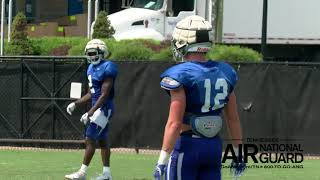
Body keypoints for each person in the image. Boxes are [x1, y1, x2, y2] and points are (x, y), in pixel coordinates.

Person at [153, 15, 246, 180]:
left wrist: (161, 161)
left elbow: (174, 123)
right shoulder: (225, 72)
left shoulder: (181, 73)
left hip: (188, 146)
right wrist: (238, 153)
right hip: (213, 147)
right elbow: (233, 119)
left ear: (183, 42)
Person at [65, 39, 118, 180]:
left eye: (93, 53)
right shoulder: (90, 68)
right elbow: (91, 93)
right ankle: (107, 174)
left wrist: (90, 112)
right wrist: (76, 103)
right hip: (97, 107)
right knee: (103, 140)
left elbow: (104, 95)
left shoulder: (108, 67)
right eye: (88, 53)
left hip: (104, 107)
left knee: (90, 138)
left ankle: (82, 173)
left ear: (102, 52)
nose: (90, 56)